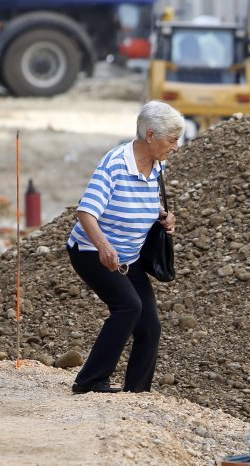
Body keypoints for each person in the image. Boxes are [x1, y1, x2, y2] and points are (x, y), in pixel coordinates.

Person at [66, 100, 184, 394]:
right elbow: (86, 211)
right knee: (128, 306)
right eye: (172, 140)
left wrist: (161, 215)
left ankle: (137, 393)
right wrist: (104, 247)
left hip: (129, 257)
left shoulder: (158, 165)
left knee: (150, 326)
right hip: (93, 253)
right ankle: (90, 380)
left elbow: (140, 197)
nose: (176, 147)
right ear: (151, 136)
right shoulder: (115, 164)